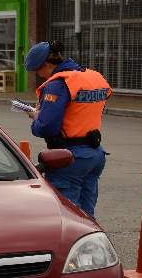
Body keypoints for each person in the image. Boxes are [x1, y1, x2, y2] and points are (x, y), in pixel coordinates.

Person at [24, 41, 111, 219]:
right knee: (86, 214)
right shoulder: (94, 77)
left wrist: (36, 118)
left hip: (70, 157)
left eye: (38, 70)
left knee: (68, 216)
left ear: (47, 64)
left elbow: (47, 127)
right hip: (95, 154)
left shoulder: (59, 84)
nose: (40, 75)